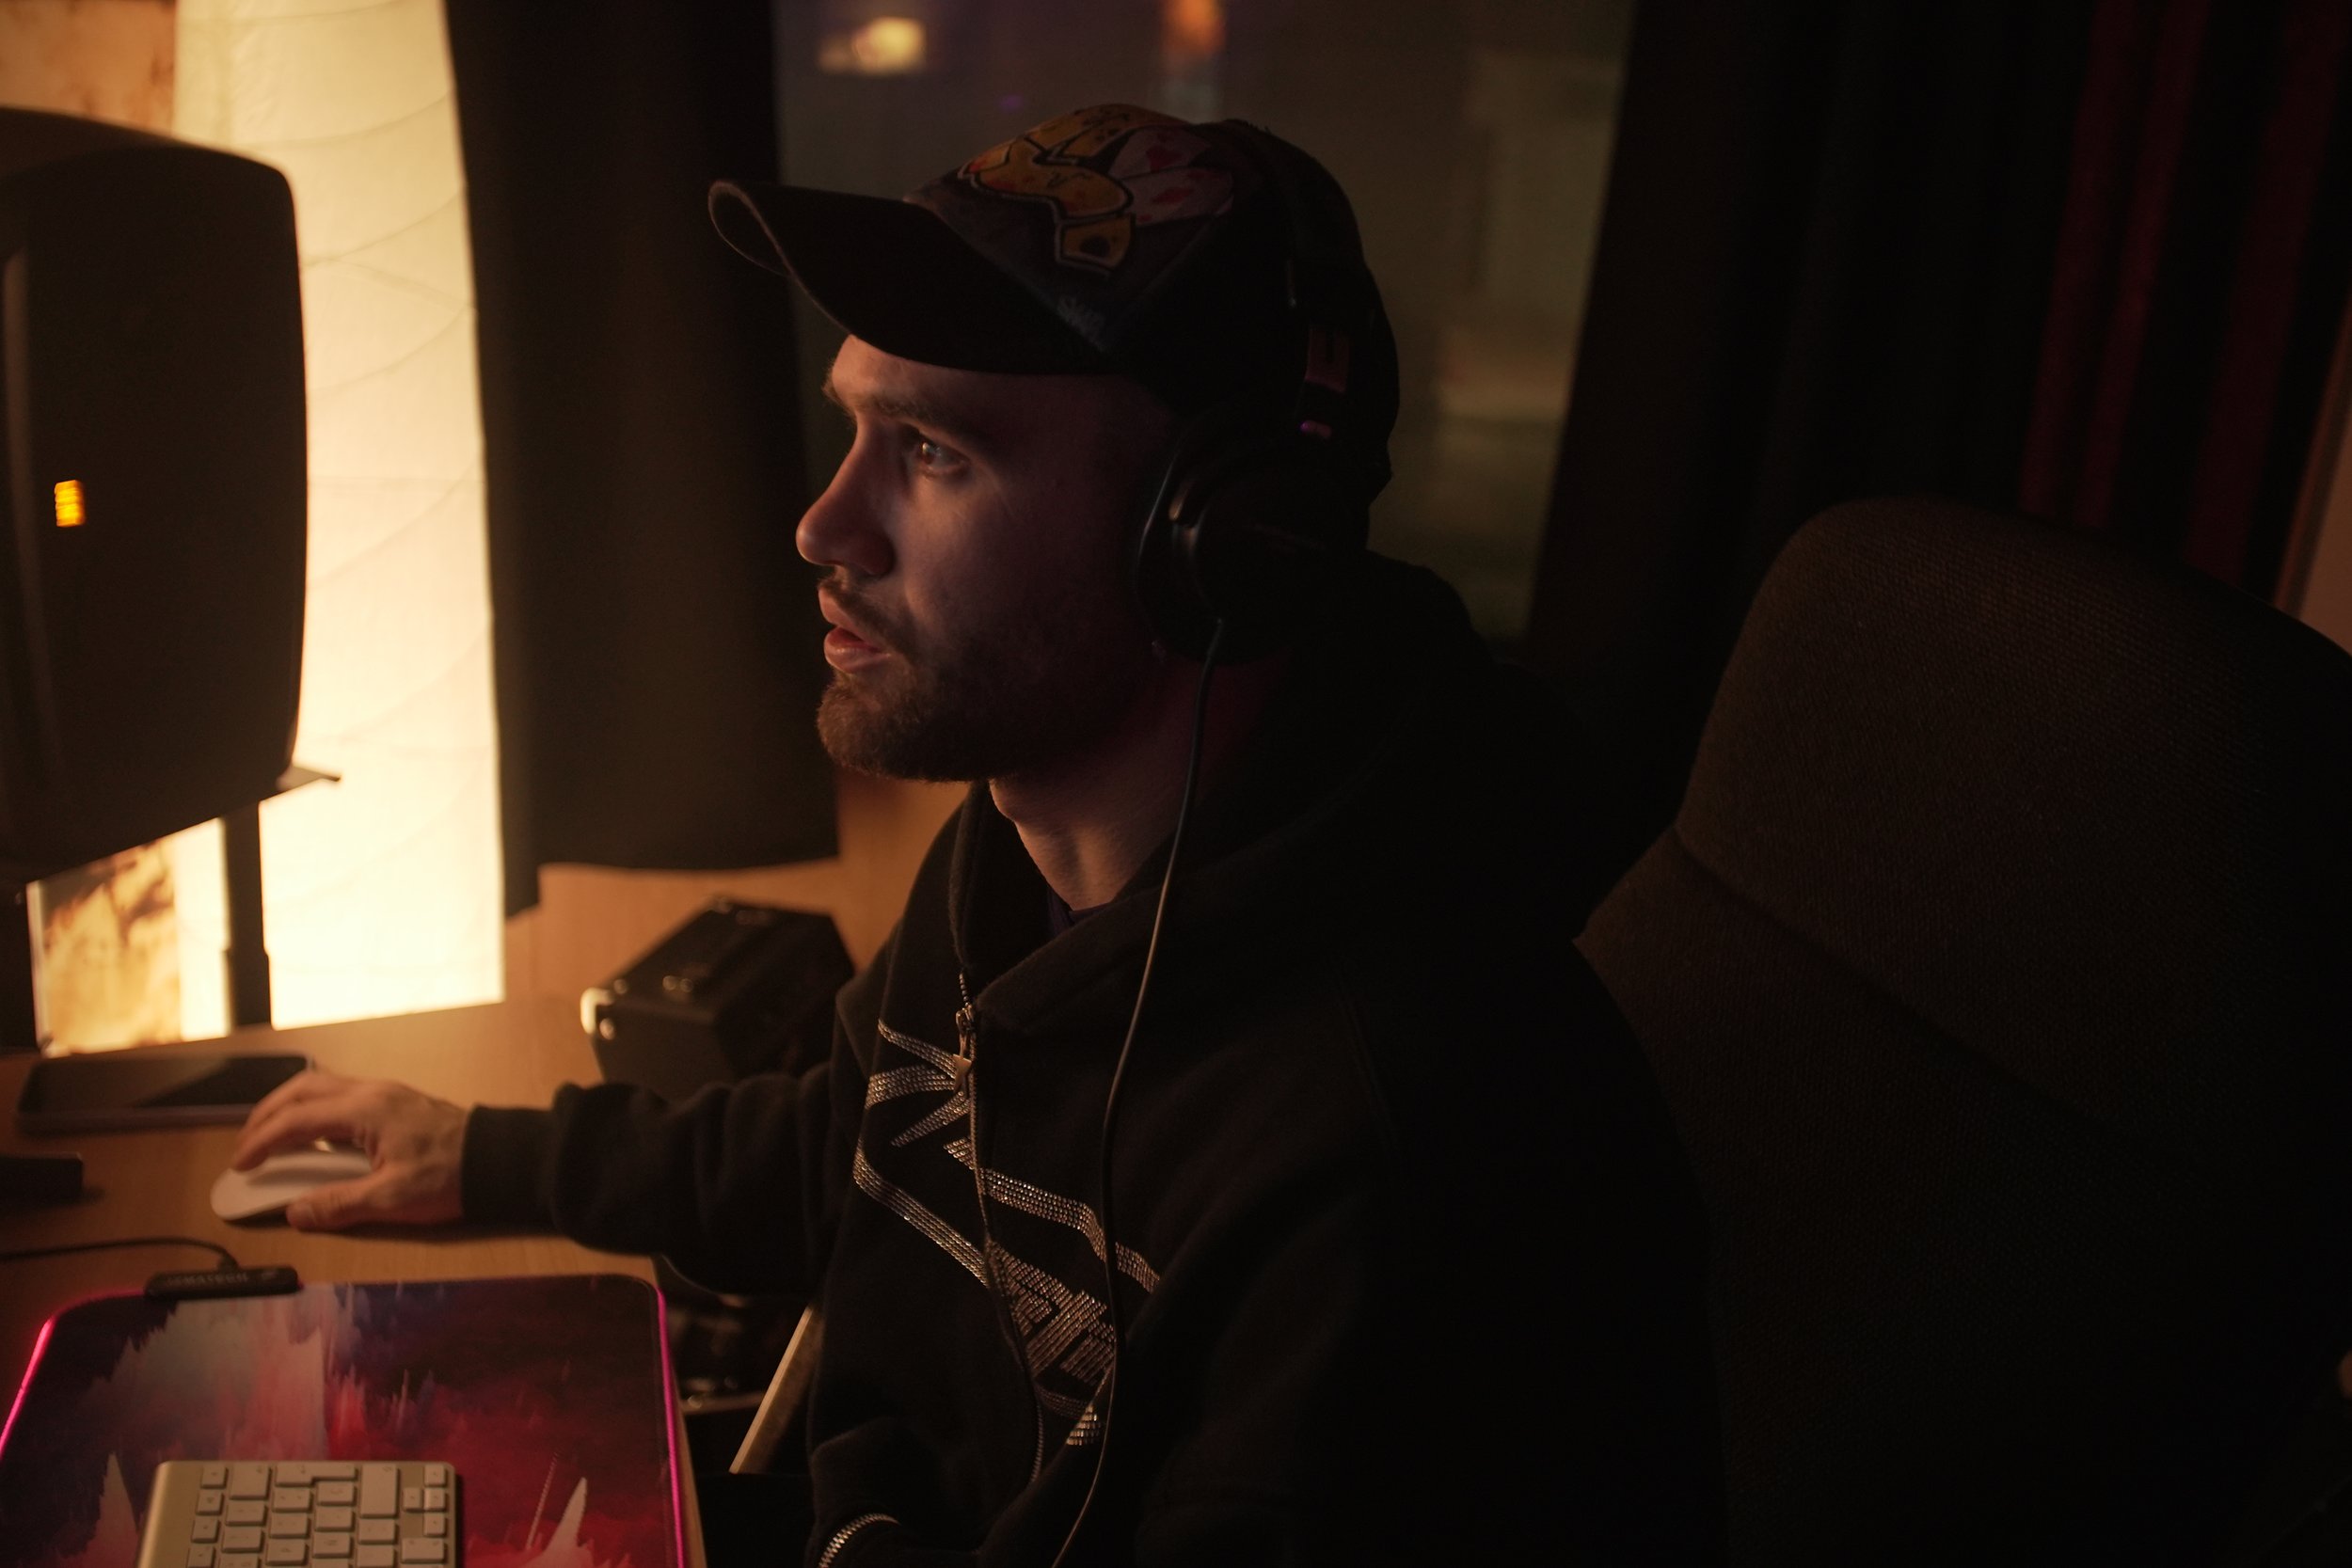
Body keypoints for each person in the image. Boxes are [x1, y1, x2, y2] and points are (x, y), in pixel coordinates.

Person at [232, 103, 1722, 1565]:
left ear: (1222, 541)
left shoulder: (1405, 1141)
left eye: (934, 451)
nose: (825, 526)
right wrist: (492, 1156)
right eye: (853, 428)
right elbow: (868, 1140)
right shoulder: (1032, 835)